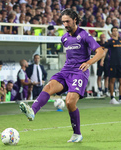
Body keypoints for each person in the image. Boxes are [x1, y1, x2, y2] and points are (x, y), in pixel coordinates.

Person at [19, 9, 105, 143]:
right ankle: (32, 112)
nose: (65, 24)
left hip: (79, 72)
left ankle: (77, 134)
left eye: (68, 21)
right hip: (66, 71)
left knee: (70, 102)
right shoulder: (64, 38)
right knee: (48, 87)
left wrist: (88, 62)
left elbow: (100, 52)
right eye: (63, 21)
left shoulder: (84, 35)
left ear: (75, 20)